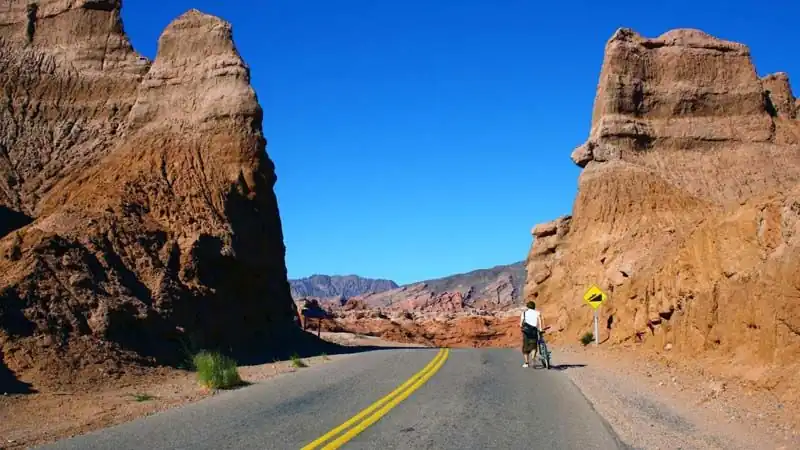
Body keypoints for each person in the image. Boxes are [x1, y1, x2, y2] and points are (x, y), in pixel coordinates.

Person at [520, 301, 544, 368]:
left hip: (526, 332)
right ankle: (533, 358)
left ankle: (526, 363)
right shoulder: (537, 312)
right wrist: (541, 328)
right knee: (533, 345)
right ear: (534, 306)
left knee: (525, 347)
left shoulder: (524, 313)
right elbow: (539, 320)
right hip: (534, 331)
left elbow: (520, 324)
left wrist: (522, 327)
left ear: (527, 307)